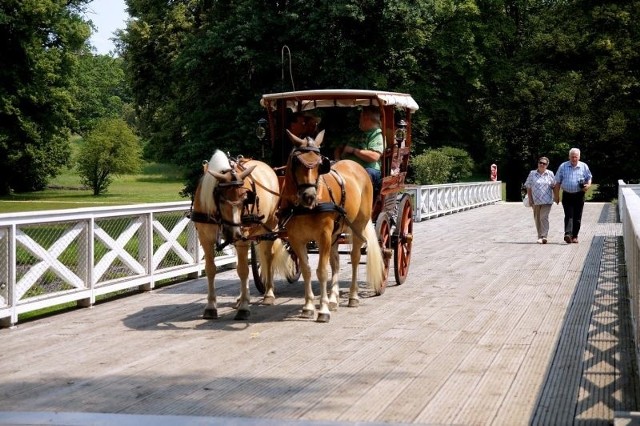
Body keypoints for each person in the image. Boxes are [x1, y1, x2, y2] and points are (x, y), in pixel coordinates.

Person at [334, 106, 383, 193]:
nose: (359, 119)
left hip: (368, 169)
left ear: (366, 118)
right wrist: (337, 159)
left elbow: (375, 156)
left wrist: (354, 151)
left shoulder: (377, 134)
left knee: (364, 175)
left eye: (360, 116)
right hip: (347, 167)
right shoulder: (357, 133)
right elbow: (339, 148)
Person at [553, 147, 593, 244]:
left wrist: (588, 185)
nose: (574, 159)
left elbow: (589, 177)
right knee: (569, 215)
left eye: (575, 157)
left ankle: (575, 236)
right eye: (572, 157)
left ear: (579, 157)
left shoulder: (584, 166)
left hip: (579, 194)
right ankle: (568, 234)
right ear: (569, 157)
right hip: (567, 195)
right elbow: (557, 182)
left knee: (577, 216)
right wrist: (556, 196)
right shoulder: (563, 166)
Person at [524, 157, 555, 244]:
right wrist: (530, 199)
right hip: (535, 200)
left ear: (547, 165)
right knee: (537, 218)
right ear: (538, 163)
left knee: (543, 217)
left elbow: (554, 185)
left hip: (547, 200)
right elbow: (528, 186)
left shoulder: (550, 173)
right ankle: (539, 236)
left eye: (544, 163)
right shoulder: (532, 173)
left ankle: (544, 236)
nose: (542, 164)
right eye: (540, 162)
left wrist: (556, 197)